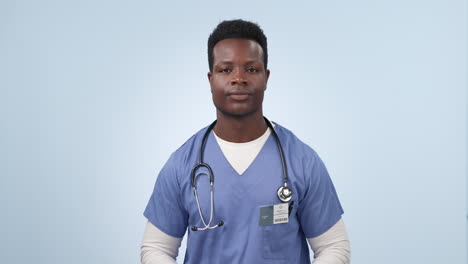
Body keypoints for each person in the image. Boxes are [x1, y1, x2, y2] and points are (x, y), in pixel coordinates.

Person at [140, 19, 350, 264]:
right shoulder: (181, 165)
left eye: (251, 69)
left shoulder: (302, 161)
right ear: (210, 79)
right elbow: (156, 249)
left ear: (266, 77)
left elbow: (333, 246)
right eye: (226, 69)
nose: (238, 78)